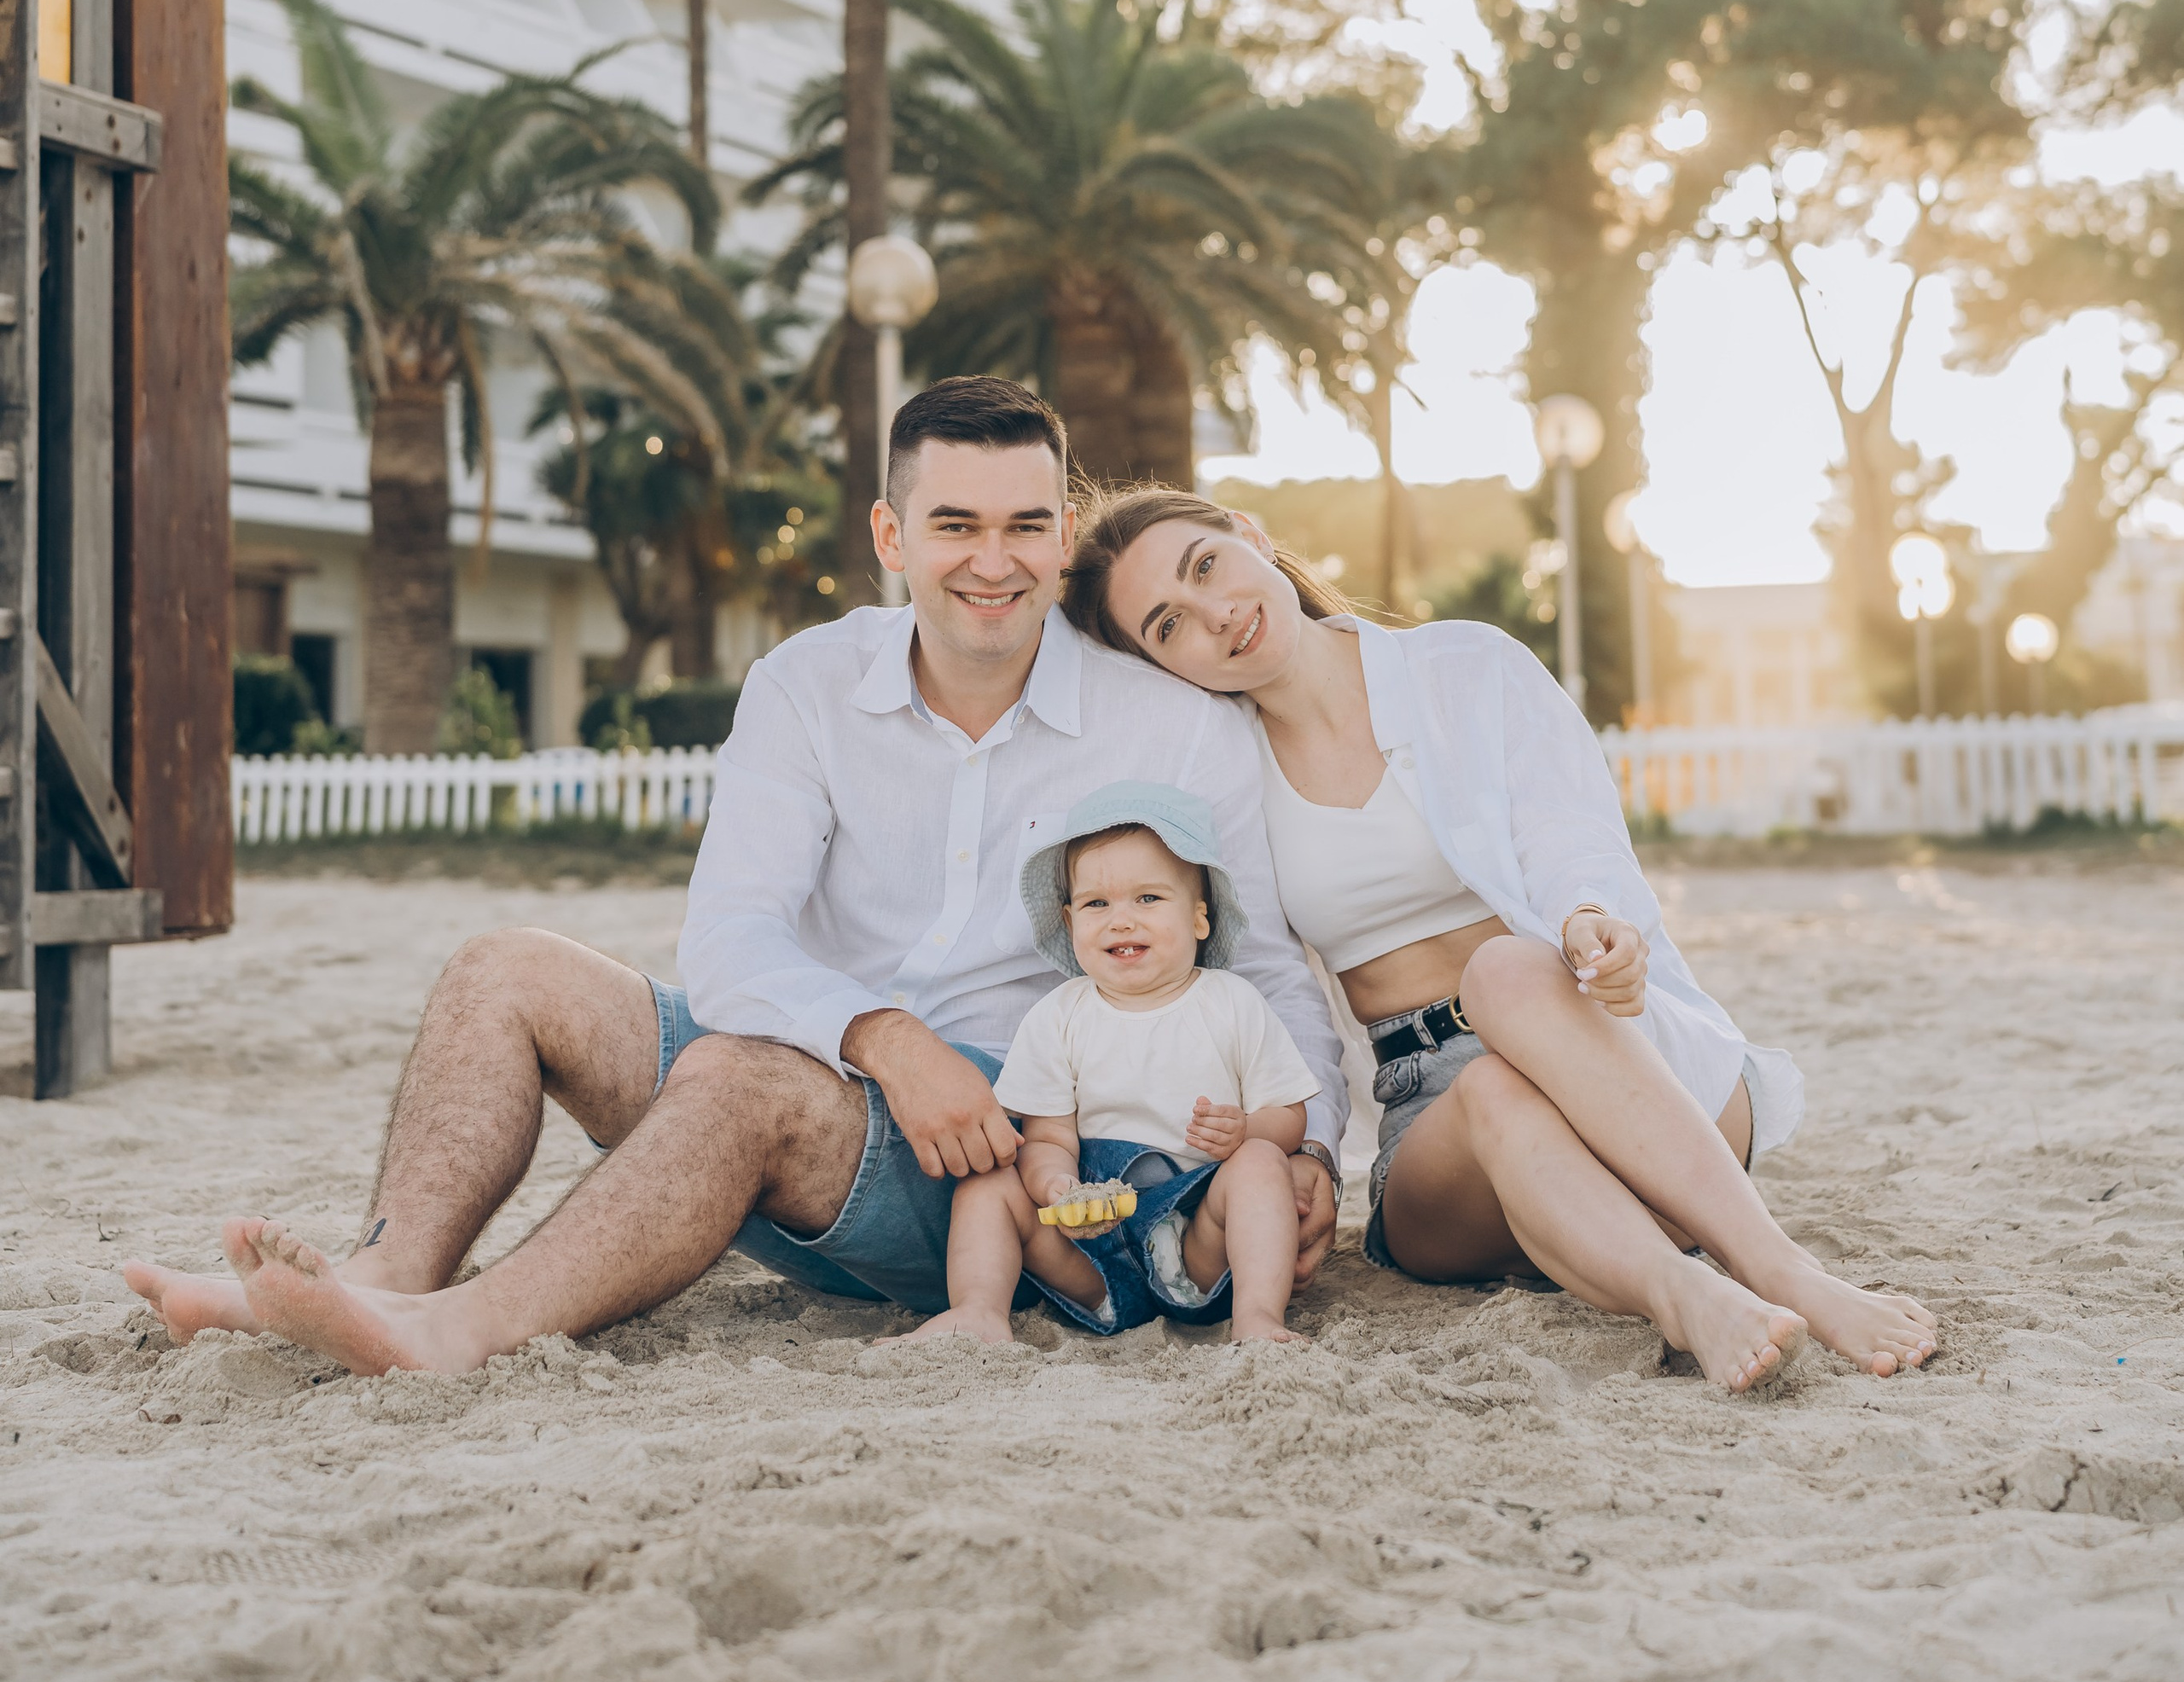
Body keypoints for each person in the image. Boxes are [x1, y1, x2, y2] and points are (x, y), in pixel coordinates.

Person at [125, 382, 1346, 1377]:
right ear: (890, 537)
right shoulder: (806, 686)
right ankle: (383, 1283)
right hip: (819, 1084)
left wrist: (1313, 1157)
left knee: (743, 1072)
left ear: (1062, 538)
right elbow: (729, 943)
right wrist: (879, 1034)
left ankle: (455, 1337)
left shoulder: (1169, 725)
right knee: (503, 970)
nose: (994, 562)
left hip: (997, 1168)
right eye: (955, 526)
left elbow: (1267, 970)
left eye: (1027, 526)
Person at [1062, 488, 1939, 1395]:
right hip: (1442, 1125)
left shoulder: (1465, 666)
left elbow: (1571, 834)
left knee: (1507, 971)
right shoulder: (1224, 776)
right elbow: (1278, 993)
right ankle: (1684, 1297)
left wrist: (1591, 920)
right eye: (1168, 626)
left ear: (1248, 535)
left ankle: (1780, 1269)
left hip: (1618, 1062)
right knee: (1488, 1087)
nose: (1212, 615)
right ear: (1165, 666)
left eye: (1205, 567)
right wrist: (1314, 1151)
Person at [907, 782, 1318, 1349]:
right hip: (1089, 1252)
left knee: (1261, 1161)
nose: (1120, 920)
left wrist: (1248, 1130)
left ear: (1200, 918)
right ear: (1070, 919)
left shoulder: (1231, 1002)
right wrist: (1057, 1188)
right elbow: (1048, 1135)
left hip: (1202, 1244)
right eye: (1098, 904)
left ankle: (1256, 1316)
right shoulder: (1058, 1017)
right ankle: (978, 1311)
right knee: (992, 1180)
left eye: (1148, 899)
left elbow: (1289, 1115)